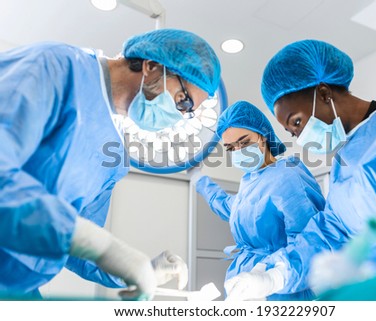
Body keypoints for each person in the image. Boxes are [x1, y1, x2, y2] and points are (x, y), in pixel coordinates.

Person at [0, 28, 221, 299]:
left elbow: (79, 244)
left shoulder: (112, 158)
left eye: (186, 112)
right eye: (182, 101)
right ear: (152, 66)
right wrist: (103, 247)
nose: (177, 116)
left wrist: (135, 267)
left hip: (20, 289)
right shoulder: (55, 66)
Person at [261, 39, 376, 252]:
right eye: (292, 132)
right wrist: (275, 273)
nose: (300, 137)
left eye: (297, 122)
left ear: (324, 93)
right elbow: (332, 232)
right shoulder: (344, 166)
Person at [195, 101, 330, 300]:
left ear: (262, 135)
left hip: (283, 289)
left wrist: (270, 277)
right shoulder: (250, 181)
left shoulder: (287, 174)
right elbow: (229, 208)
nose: (239, 151)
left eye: (244, 142)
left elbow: (311, 242)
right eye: (231, 148)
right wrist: (199, 181)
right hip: (246, 288)